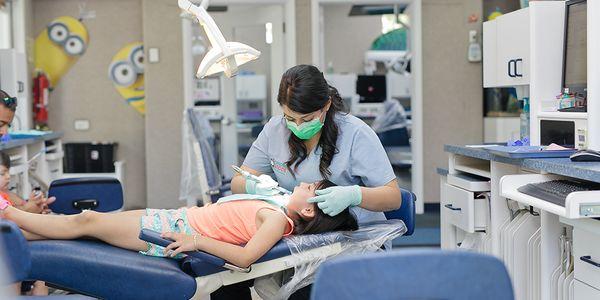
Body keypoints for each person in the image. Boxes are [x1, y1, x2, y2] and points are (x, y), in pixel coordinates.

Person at [218, 64, 402, 299]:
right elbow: (237, 181)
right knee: (226, 280)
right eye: (289, 118)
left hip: (352, 242)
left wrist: (354, 195)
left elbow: (393, 196)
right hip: (296, 238)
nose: (297, 126)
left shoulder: (356, 134)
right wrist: (256, 185)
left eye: (306, 119)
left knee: (306, 294)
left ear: (325, 106)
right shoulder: (274, 130)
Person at [0, 180, 357, 267]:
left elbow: (246, 257)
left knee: (87, 221)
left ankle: (9, 215)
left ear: (310, 210)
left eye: (312, 188)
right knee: (86, 226)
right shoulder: (276, 206)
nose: (306, 184)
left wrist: (196, 241)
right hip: (171, 220)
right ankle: (11, 232)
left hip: (167, 232)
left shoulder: (277, 221)